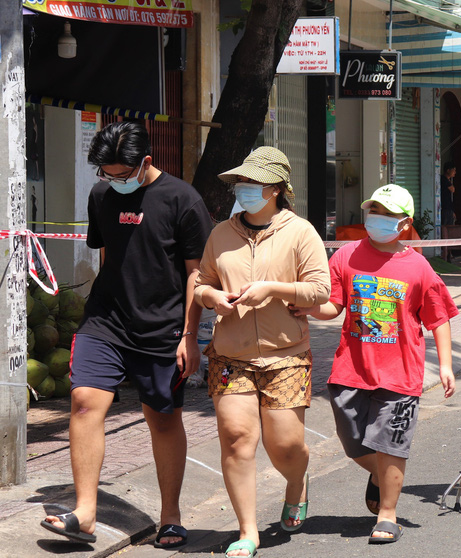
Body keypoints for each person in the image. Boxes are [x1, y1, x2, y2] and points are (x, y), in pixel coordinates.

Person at [41, 121, 212, 548]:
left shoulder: (183, 200)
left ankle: (170, 516)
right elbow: (108, 256)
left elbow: (197, 273)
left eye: (120, 174)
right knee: (83, 402)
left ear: (146, 163)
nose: (111, 181)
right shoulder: (101, 194)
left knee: (162, 417)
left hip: (163, 327)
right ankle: (85, 513)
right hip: (107, 320)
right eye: (106, 173)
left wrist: (190, 335)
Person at [292, 184, 457, 544]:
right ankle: (382, 475)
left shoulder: (418, 266)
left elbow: (439, 317)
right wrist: (308, 308)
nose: (377, 219)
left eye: (386, 213)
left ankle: (387, 514)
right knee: (353, 443)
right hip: (350, 370)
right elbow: (333, 305)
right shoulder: (347, 257)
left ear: (404, 223)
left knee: (391, 444)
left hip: (400, 373)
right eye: (374, 211)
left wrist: (445, 365)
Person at [195, 147, 331, 558]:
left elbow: (320, 290)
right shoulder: (221, 233)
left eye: (251, 184)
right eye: (240, 183)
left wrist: (274, 288)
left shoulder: (301, 232)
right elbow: (200, 283)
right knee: (237, 439)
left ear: (275, 189)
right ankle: (248, 531)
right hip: (230, 354)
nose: (242, 190)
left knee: (285, 446)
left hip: (285, 354)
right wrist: (211, 296)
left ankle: (296, 483)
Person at [440, 165, 458, 260]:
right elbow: (452, 189)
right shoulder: (443, 179)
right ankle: (445, 252)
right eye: (453, 170)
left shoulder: (448, 180)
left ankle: (449, 253)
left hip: (449, 209)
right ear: (448, 170)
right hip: (445, 209)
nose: (454, 172)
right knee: (446, 229)